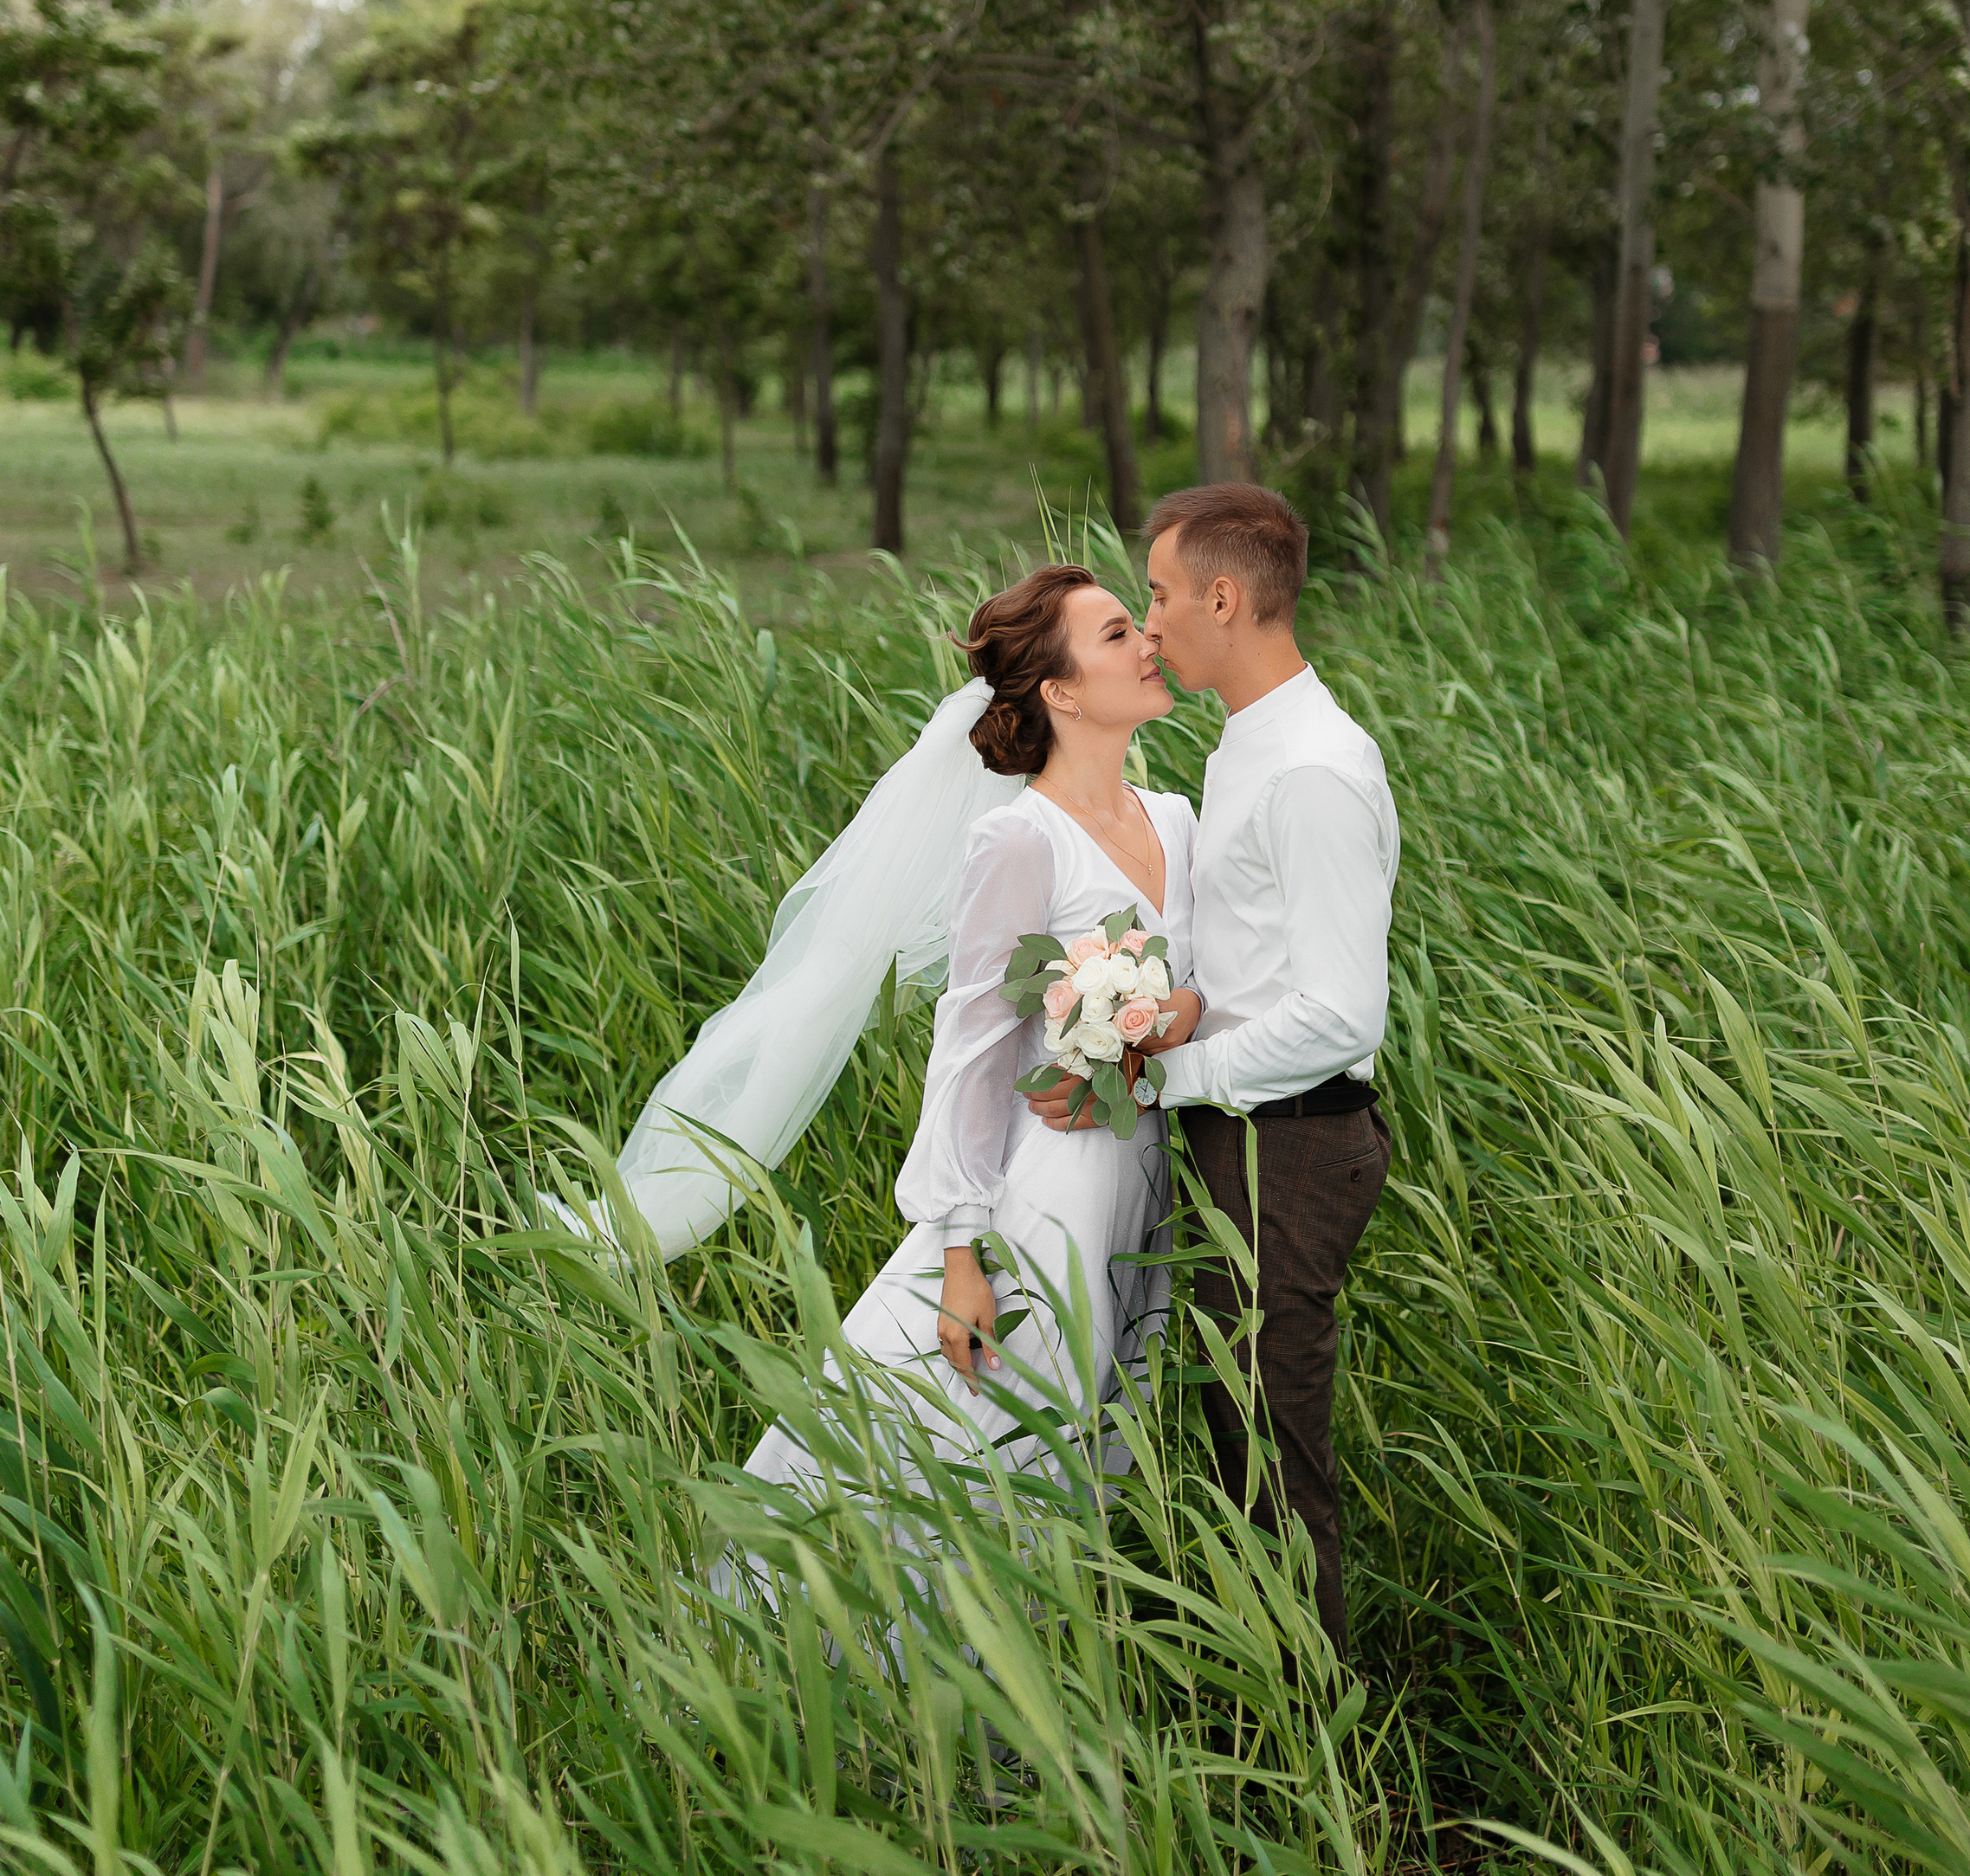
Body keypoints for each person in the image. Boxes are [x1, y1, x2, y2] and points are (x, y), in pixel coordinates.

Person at [558, 562, 1203, 1504]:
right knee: (980, 1451)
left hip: (1148, 1179)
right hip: (1049, 1184)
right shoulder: (1021, 841)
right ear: (1061, 692)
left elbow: (1211, 991)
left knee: (1091, 1455)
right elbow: (974, 1047)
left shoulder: (1177, 820)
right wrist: (958, 1254)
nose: (1148, 642)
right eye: (1116, 634)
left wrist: (1155, 1033)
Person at [1025, 483, 1398, 1654]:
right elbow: (1255, 966)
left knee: (1275, 1467)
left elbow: (1339, 1013)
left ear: (1224, 599)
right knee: (1243, 1446)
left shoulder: (1311, 771)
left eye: (1160, 595)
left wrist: (1158, 1082)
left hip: (1293, 1145)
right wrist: (1170, 1014)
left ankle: (1312, 1733)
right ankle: (1269, 1705)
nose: (1150, 622)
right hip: (1252, 1135)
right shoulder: (1251, 744)